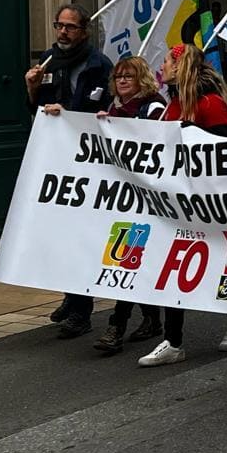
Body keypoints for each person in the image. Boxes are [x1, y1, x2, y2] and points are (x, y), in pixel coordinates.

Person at [137, 44, 227, 367]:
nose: (162, 67)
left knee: (222, 260)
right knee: (173, 265)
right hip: (178, 200)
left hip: (208, 199)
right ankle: (173, 341)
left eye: (166, 62)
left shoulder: (210, 103)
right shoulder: (172, 103)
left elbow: (221, 151)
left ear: (180, 65)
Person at [26, 4, 115, 340]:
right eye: (58, 25)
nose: (62, 32)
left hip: (84, 164)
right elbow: (34, 111)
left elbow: (98, 112)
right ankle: (71, 295)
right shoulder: (48, 60)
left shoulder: (97, 64)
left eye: (70, 27)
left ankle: (81, 309)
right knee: (57, 232)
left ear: (83, 31)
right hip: (53, 159)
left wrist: (68, 113)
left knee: (79, 234)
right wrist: (32, 88)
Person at [91, 56, 168, 354]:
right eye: (119, 77)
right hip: (124, 199)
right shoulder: (113, 109)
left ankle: (116, 327)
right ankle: (152, 319)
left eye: (129, 77)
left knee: (126, 258)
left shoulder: (152, 108)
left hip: (147, 200)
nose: (122, 81)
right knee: (134, 260)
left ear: (142, 80)